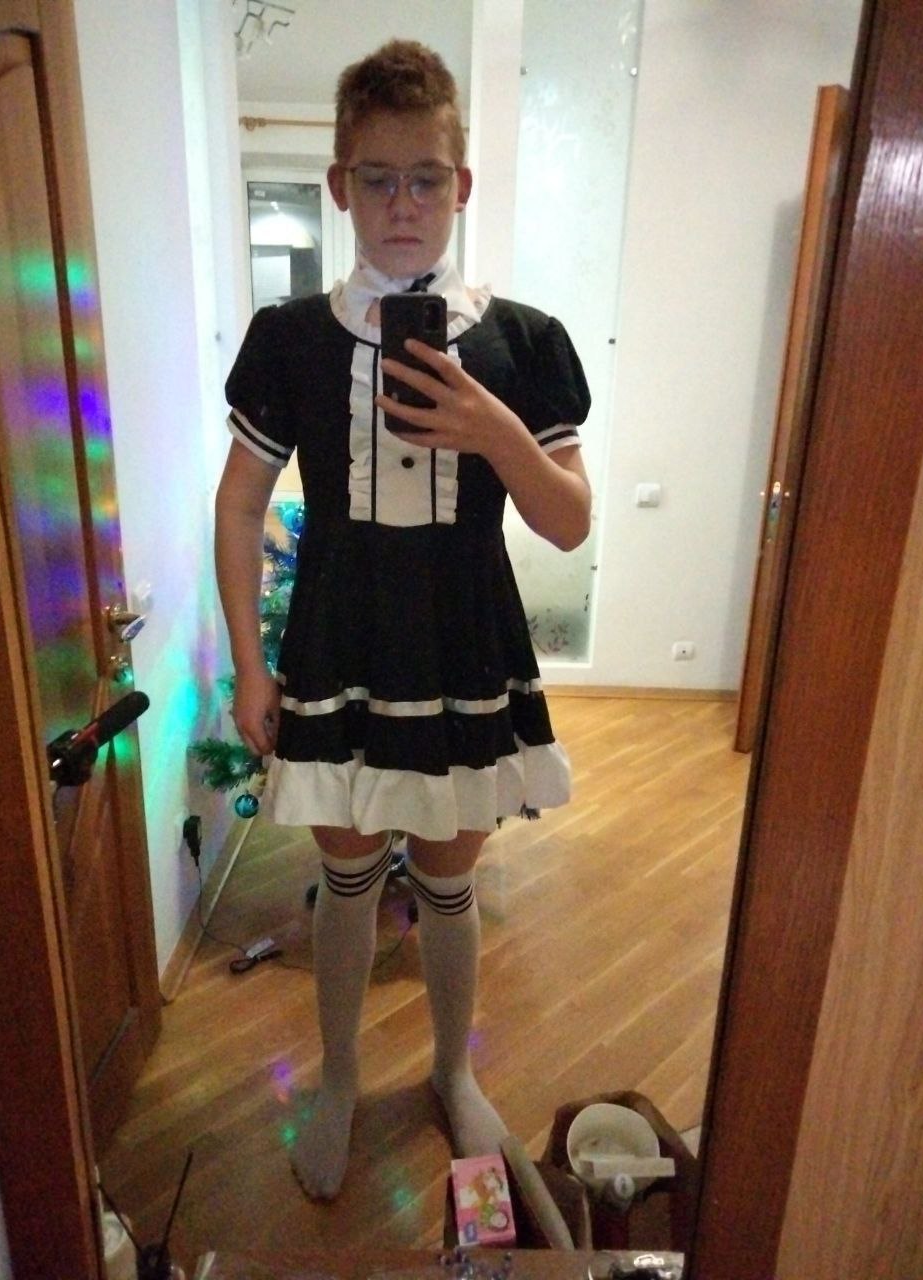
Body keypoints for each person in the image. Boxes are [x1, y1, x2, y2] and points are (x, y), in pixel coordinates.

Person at [214, 38, 592, 1201]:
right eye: (376, 178)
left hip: (468, 643)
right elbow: (239, 505)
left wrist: (495, 430)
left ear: (461, 185)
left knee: (447, 875)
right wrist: (249, 668)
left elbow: (568, 521)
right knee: (342, 873)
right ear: (340, 187)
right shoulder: (290, 339)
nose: (403, 203)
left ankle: (449, 1069)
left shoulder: (525, 342)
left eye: (426, 177)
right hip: (338, 642)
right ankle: (336, 1077)